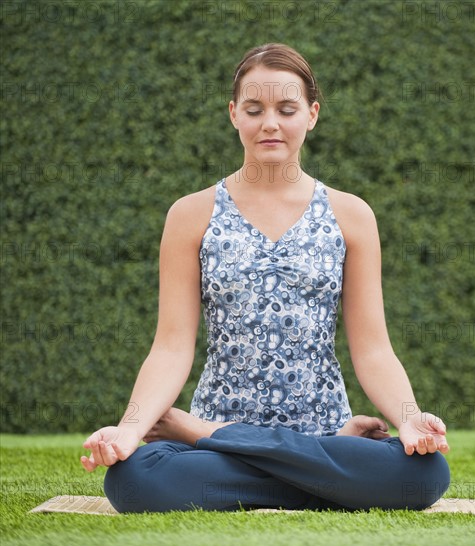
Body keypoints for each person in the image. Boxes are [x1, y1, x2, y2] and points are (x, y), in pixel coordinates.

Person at [81, 43, 450, 513]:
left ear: (312, 115)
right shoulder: (190, 215)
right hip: (302, 451)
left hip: (312, 432)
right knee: (131, 480)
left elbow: (373, 348)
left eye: (287, 109)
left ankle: (206, 438)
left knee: (426, 472)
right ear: (234, 114)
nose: (270, 123)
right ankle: (318, 480)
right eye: (254, 109)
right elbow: (171, 346)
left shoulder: (351, 215)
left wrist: (411, 418)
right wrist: (132, 427)